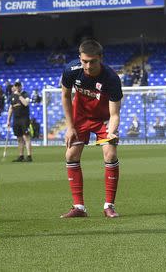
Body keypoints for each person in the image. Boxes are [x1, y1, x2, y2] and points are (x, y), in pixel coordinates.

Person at [59, 40, 122, 219]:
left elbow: (115, 114)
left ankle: (109, 206)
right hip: (80, 118)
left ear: (100, 58)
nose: (88, 66)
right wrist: (70, 127)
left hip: (103, 119)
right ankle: (79, 207)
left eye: (92, 61)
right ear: (80, 58)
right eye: (84, 61)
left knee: (110, 154)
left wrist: (112, 131)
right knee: (70, 155)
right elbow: (65, 95)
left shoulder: (111, 78)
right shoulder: (71, 70)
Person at [7, 82, 33, 162]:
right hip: (16, 119)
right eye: (16, 86)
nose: (17, 87)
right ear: (14, 87)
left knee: (26, 137)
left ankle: (29, 156)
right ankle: (21, 155)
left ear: (21, 86)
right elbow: (11, 109)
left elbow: (26, 103)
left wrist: (19, 95)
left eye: (19, 86)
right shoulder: (12, 96)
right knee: (19, 138)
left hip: (24, 119)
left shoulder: (25, 94)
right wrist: (8, 120)